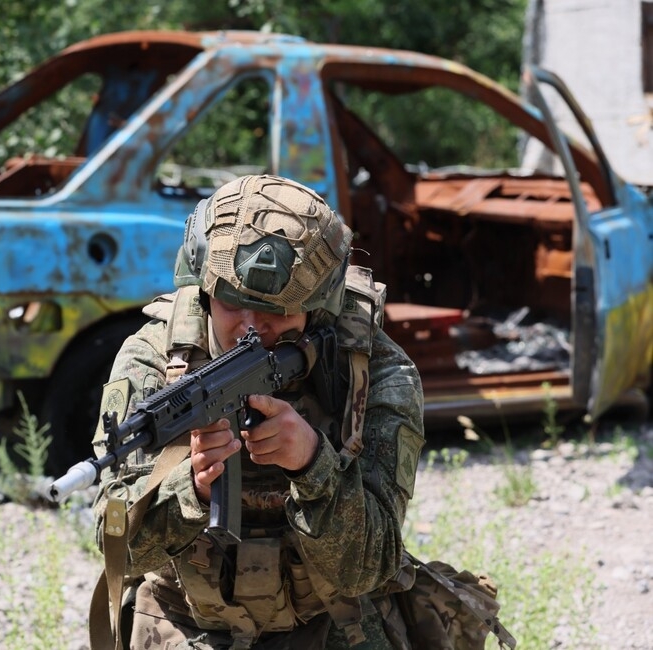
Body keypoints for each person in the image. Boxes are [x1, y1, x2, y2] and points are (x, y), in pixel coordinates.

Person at [91, 174, 426, 649]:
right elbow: (119, 553)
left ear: (319, 304)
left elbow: (370, 566)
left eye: (276, 311)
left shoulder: (372, 371)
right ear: (204, 287)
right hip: (185, 624)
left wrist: (313, 463)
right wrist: (194, 489)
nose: (251, 328)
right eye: (231, 304)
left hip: (331, 624)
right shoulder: (154, 360)